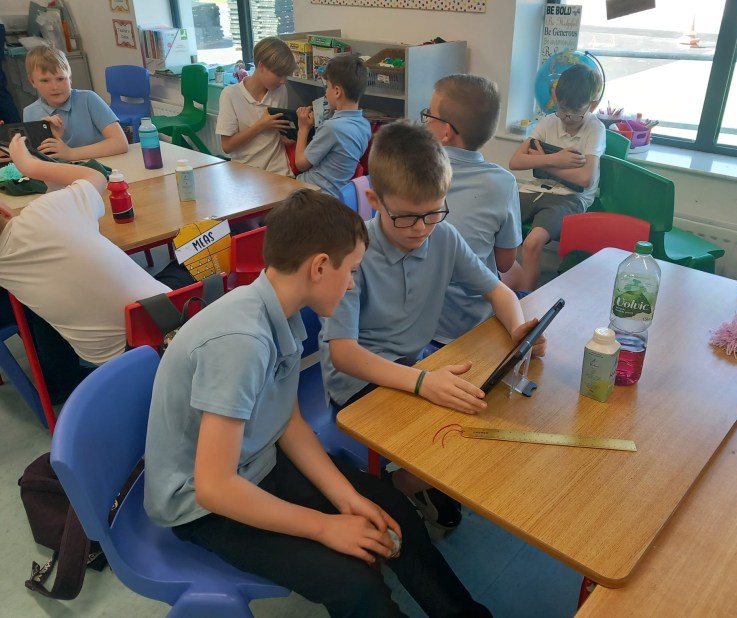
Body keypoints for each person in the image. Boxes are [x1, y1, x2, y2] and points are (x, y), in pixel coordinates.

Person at [144, 189, 491, 618]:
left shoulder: (281, 310)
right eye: (352, 271)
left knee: (391, 510)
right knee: (354, 581)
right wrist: (325, 526)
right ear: (320, 266)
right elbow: (215, 488)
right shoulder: (241, 342)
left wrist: (346, 498)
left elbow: (286, 423)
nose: (352, 284)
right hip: (202, 505)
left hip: (257, 463)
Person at [320, 121, 546, 529]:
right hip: (359, 381)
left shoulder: (443, 236)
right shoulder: (352, 255)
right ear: (374, 200)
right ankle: (394, 488)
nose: (421, 229)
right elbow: (344, 354)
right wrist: (423, 382)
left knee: (488, 413)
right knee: (456, 433)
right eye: (407, 217)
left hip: (413, 364)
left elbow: (499, 292)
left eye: (433, 213)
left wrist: (517, 329)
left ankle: (408, 483)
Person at [0, 134, 187, 402]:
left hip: (114, 365)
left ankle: (59, 383)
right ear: (4, 210)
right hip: (171, 326)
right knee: (189, 257)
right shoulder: (43, 213)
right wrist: (31, 166)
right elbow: (95, 177)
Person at [422, 73, 522, 343]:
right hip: (474, 325)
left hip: (419, 325)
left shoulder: (412, 171)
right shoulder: (503, 183)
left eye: (429, 115)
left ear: (446, 131)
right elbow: (505, 262)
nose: (426, 121)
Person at [508, 63, 606, 290]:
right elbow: (516, 161)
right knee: (495, 226)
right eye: (562, 109)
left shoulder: (595, 129)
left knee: (531, 243)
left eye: (575, 112)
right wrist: (556, 159)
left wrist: (546, 163)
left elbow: (585, 179)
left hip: (570, 198)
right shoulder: (549, 121)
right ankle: (500, 289)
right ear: (555, 97)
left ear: (592, 105)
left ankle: (526, 300)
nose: (567, 118)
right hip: (534, 190)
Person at [23, 45, 128, 161]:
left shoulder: (88, 99)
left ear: (70, 77)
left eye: (60, 78)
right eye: (45, 80)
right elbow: (35, 158)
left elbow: (120, 143)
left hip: (102, 166)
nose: (54, 87)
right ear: (32, 81)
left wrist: (71, 153)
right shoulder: (30, 112)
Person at [216, 36, 296, 175]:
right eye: (279, 74)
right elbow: (227, 146)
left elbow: (277, 131)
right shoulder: (230, 95)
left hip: (280, 171)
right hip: (245, 174)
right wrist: (261, 126)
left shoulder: (280, 90)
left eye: (286, 76)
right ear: (261, 66)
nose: (283, 81)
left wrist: (284, 137)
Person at [294, 54, 371, 199]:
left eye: (327, 87)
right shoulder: (365, 126)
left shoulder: (331, 128)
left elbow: (300, 164)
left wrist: (303, 128)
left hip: (309, 194)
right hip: (334, 195)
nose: (325, 92)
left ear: (337, 91)